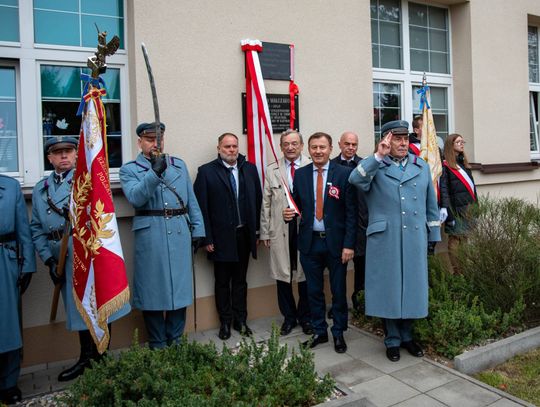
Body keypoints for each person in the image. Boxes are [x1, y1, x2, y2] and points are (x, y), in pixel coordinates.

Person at [31, 136, 130, 381]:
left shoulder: (87, 182)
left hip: (87, 256)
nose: (64, 156)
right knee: (79, 310)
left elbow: (101, 216)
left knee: (98, 306)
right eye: (58, 152)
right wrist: (48, 260)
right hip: (62, 259)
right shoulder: (40, 189)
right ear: (50, 158)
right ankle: (86, 358)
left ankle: (101, 358)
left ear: (77, 155)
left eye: (68, 151)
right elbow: (36, 229)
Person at [349, 120, 440, 362]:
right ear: (386, 140)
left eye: (405, 139)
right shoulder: (375, 166)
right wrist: (378, 156)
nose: (402, 143)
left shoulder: (421, 167)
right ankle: (391, 339)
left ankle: (407, 336)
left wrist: (433, 237)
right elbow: (354, 180)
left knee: (412, 285)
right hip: (385, 238)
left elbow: (431, 205)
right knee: (389, 288)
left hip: (413, 236)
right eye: (396, 138)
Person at [120, 122, 205, 349]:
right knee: (152, 290)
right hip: (151, 234)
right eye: (149, 139)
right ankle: (157, 342)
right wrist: (154, 172)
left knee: (180, 287)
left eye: (159, 139)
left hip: (179, 230)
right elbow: (136, 198)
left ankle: (176, 340)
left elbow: (191, 201)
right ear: (140, 142)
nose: (155, 143)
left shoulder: (178, 165)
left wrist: (198, 229)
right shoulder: (129, 169)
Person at [283, 132, 357, 354]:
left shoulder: (344, 174)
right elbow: (296, 204)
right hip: (309, 243)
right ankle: (319, 332)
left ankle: (338, 333)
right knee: (313, 291)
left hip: (336, 244)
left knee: (337, 290)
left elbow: (352, 213)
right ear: (309, 149)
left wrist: (349, 245)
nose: (318, 151)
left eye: (322, 147)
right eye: (314, 147)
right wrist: (287, 213)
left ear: (331, 149)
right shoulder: (302, 175)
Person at [194, 133, 262, 340]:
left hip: (244, 235)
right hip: (220, 238)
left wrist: (257, 232)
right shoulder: (206, 172)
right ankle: (225, 322)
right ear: (219, 148)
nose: (232, 150)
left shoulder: (249, 169)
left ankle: (240, 320)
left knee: (241, 280)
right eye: (227, 147)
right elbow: (201, 208)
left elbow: (257, 201)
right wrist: (207, 238)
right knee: (222, 282)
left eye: (234, 146)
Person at [259, 129, 313, 336]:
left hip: (305, 229)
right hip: (280, 230)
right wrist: (265, 232)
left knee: (305, 275)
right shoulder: (272, 170)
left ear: (301, 145)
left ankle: (305, 318)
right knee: (283, 276)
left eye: (294, 143)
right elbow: (266, 203)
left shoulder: (311, 166)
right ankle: (289, 318)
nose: (290, 147)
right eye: (286, 144)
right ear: (281, 147)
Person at [0, 176, 35, 404]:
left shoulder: (10, 186)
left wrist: (28, 266)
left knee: (8, 324)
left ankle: (9, 382)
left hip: (5, 260)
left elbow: (23, 229)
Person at [331, 131, 368, 311]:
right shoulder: (331, 166)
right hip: (339, 226)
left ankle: (360, 303)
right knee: (338, 271)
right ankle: (339, 305)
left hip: (361, 225)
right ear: (339, 144)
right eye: (347, 144)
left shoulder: (364, 165)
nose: (351, 147)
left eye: (354, 144)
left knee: (361, 268)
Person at [409, 115, 448, 254]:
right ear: (416, 130)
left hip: (435, 200)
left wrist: (443, 205)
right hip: (417, 202)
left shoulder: (435, 149)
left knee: (432, 243)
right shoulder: (408, 149)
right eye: (425, 127)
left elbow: (441, 178)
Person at [439, 133, 477, 273]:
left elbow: (473, 188)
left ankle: (465, 269)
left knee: (465, 239)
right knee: (455, 239)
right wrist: (449, 214)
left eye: (462, 141)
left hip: (468, 208)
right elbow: (444, 191)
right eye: (458, 142)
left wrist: (476, 206)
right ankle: (457, 271)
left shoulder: (463, 164)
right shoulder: (446, 166)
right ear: (451, 145)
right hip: (455, 210)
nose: (462, 144)